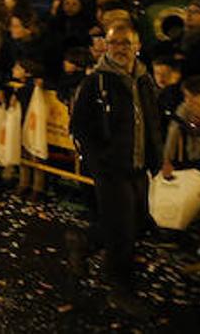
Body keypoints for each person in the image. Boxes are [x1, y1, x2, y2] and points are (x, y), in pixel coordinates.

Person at [68, 23, 162, 317]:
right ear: (106, 47)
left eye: (126, 42)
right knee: (123, 231)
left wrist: (157, 157)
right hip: (111, 168)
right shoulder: (97, 82)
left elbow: (151, 120)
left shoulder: (144, 79)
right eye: (114, 43)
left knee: (137, 221)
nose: (120, 48)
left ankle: (85, 241)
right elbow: (80, 126)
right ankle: (120, 290)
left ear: (137, 45)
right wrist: (100, 160)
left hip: (137, 165)